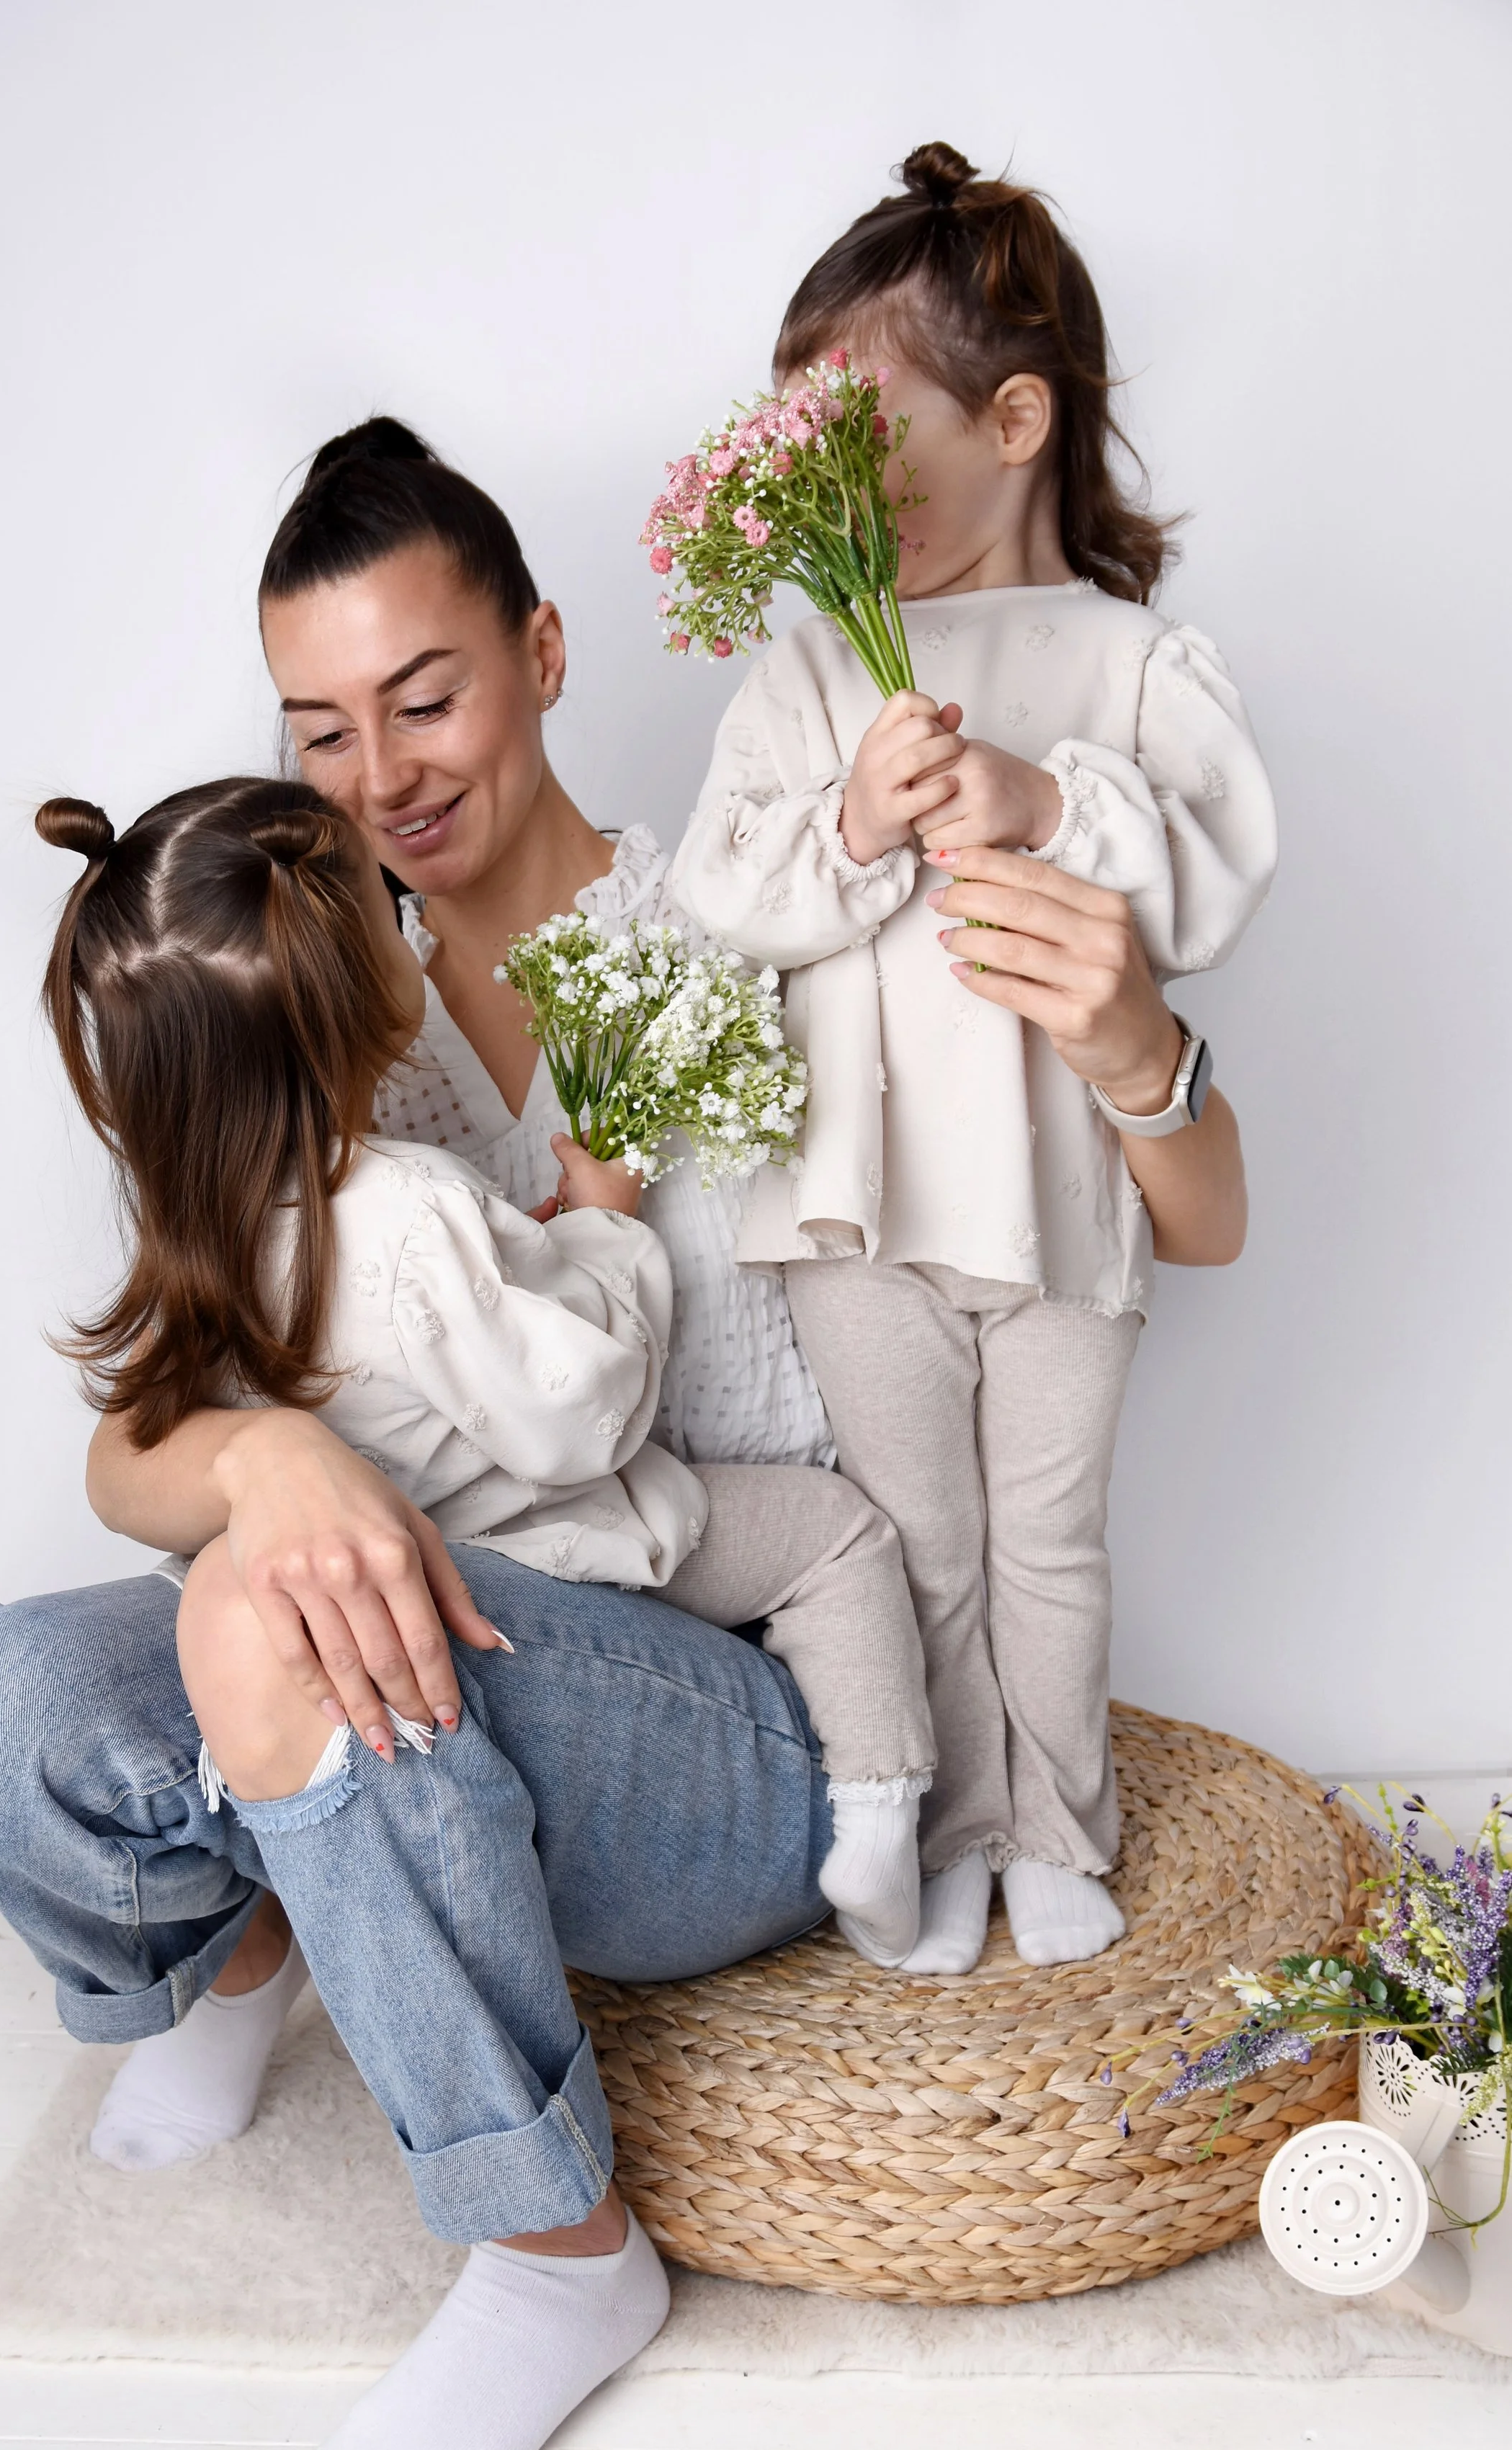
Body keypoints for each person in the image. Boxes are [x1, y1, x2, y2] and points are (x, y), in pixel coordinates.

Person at [0, 419, 1246, 2450]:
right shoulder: (298, 1001)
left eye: (426, 696)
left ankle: (548, 2257)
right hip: (458, 1638)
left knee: (269, 1618)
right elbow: (133, 1431)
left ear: (538, 653)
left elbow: (1185, 1215)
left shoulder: (749, 904)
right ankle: (229, 1954)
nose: (381, 774)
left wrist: (1140, 1040)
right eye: (319, 727)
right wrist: (269, 1454)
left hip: (754, 1690)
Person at [673, 141, 1272, 1978]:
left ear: (1013, 420)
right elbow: (719, 895)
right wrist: (853, 824)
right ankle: (944, 1824)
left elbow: (1213, 867)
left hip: (1066, 1209)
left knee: (1048, 1543)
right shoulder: (802, 674)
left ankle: (1054, 1825)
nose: (821, 494)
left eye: (857, 439)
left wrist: (1047, 800)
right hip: (858, 1214)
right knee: (916, 1542)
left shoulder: (1130, 660)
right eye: (794, 457)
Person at [37, 771, 934, 1951]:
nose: (409, 916)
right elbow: (585, 1416)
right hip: (556, 1560)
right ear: (356, 991)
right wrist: (607, 1220)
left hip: (404, 1593)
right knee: (837, 1533)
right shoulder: (408, 1208)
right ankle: (877, 1821)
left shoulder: (208, 1229)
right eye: (379, 903)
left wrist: (540, 1249)